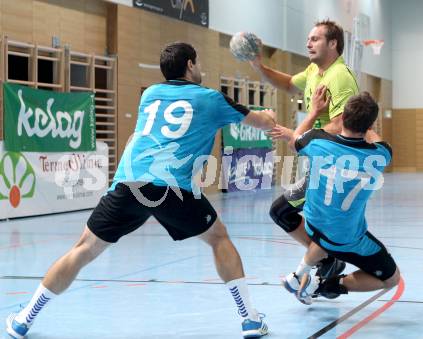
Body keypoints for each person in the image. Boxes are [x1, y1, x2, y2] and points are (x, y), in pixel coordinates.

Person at [6, 42, 276, 339]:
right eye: (198, 63)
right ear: (189, 65)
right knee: (218, 238)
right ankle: (250, 319)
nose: (200, 69)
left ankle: (24, 320)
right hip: (173, 187)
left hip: (129, 183)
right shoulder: (212, 99)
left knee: (83, 249)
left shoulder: (149, 95)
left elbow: (141, 135)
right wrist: (269, 114)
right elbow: (262, 123)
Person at [250, 19, 359, 279]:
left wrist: (299, 135)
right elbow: (288, 84)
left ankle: (327, 260)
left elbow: (340, 123)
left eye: (315, 39)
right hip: (320, 162)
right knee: (290, 214)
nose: (308, 43)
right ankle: (327, 262)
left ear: (332, 44)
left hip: (335, 165)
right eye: (309, 38)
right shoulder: (314, 70)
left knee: (282, 211)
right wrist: (258, 66)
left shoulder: (340, 76)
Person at [269, 90, 400, 305]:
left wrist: (314, 112)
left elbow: (295, 140)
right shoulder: (380, 156)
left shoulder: (317, 142)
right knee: (392, 279)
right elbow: (379, 141)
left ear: (342, 118)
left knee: (325, 228)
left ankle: (298, 275)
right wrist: (368, 129)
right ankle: (320, 284)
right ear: (370, 125)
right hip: (345, 238)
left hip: (313, 226)